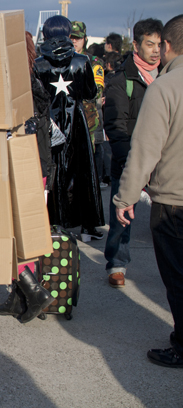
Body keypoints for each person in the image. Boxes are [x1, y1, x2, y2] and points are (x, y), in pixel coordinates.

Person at [113, 14, 183, 368]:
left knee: (178, 278)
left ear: (167, 45)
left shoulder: (165, 88)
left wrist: (125, 197)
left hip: (174, 201)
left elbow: (145, 150)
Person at [0, 32, 56, 323]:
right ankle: (21, 298)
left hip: (18, 168)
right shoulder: (34, 81)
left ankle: (33, 292)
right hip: (38, 168)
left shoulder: (9, 87)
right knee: (25, 233)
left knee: (4, 233)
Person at [103, 18, 163, 289]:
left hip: (164, 162)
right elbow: (115, 125)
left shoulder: (167, 76)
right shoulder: (122, 79)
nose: (155, 50)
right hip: (131, 160)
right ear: (136, 45)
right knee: (122, 216)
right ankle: (117, 263)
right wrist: (131, 164)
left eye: (159, 44)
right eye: (149, 44)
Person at [34, 16, 104, 241]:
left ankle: (53, 221)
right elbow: (91, 93)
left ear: (45, 35)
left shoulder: (38, 63)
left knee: (51, 172)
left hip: (49, 125)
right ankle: (87, 224)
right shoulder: (82, 61)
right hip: (77, 122)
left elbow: (36, 97)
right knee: (84, 171)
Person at [70, 21, 105, 154]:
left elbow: (96, 91)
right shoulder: (63, 62)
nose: (74, 41)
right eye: (71, 37)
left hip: (89, 122)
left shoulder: (94, 63)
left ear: (85, 39)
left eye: (77, 38)